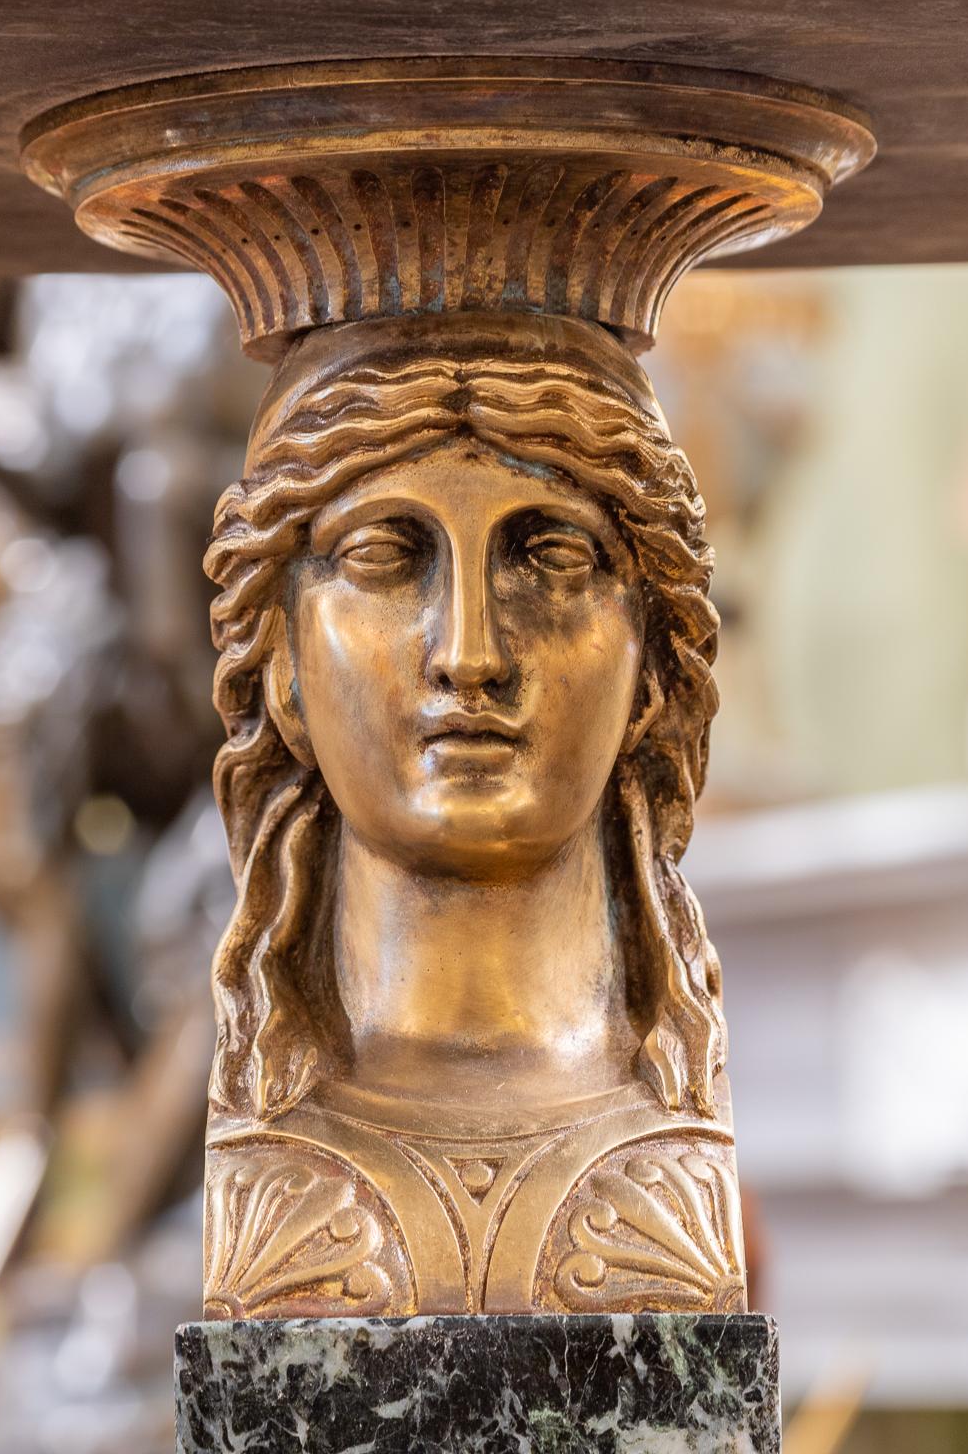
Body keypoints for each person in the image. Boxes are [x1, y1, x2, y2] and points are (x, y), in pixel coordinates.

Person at [195, 313, 746, 1318]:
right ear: (280, 666)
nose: (470, 652)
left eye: (554, 559)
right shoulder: (273, 1137)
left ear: (654, 672)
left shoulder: (666, 1141)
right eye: (383, 556)